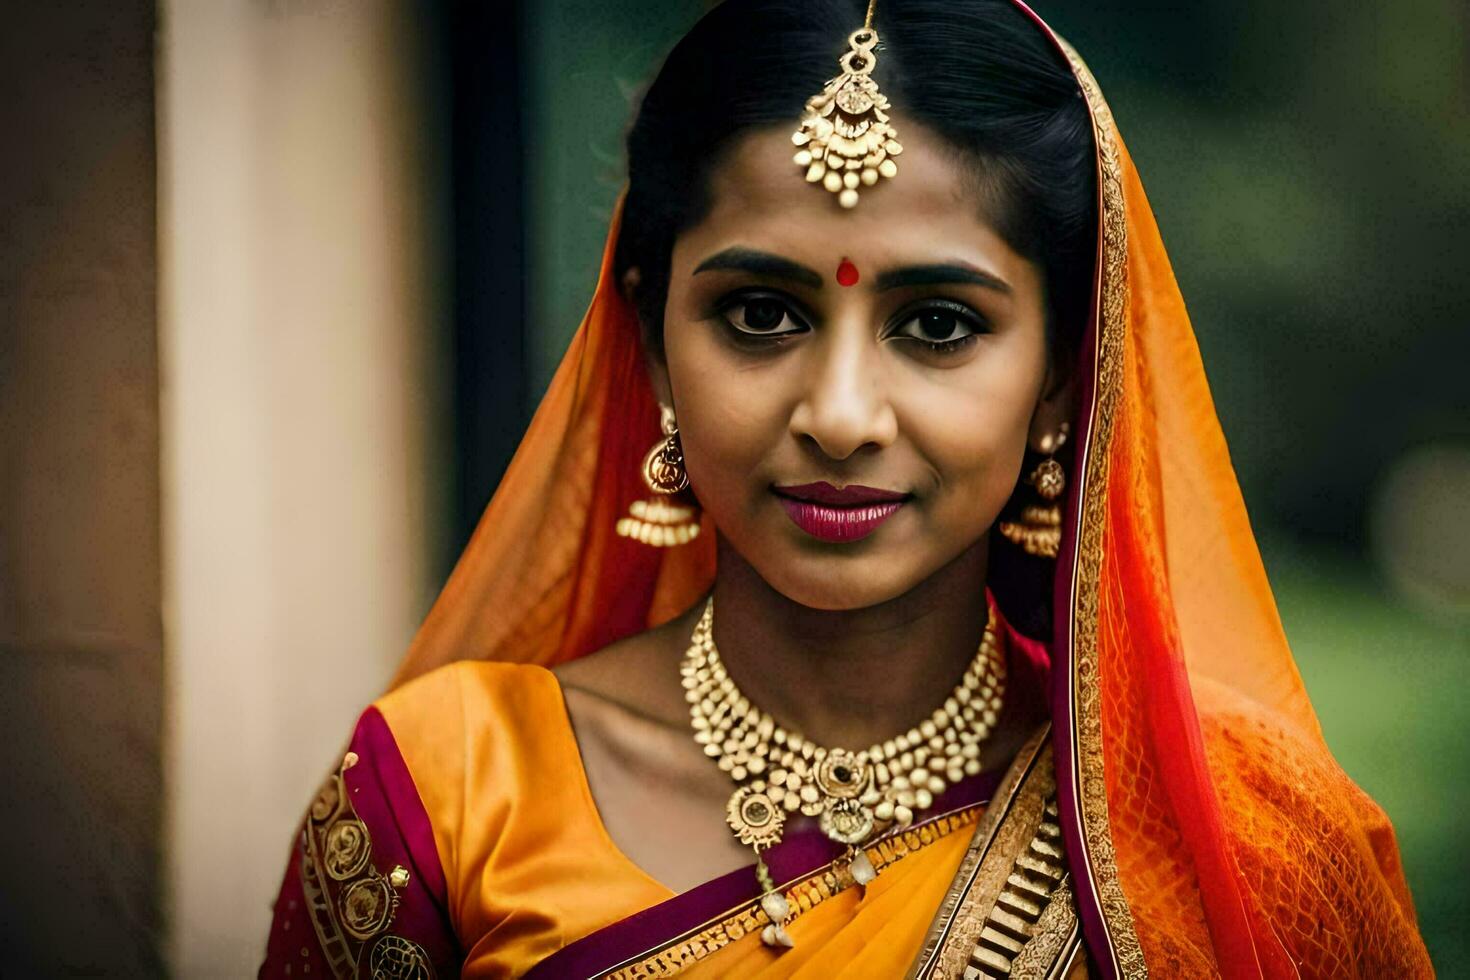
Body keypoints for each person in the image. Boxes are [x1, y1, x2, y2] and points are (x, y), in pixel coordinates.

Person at [258, 1, 1433, 976]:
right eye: (760, 313)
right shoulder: (449, 794)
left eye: (937, 323)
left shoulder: (1240, 838)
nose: (839, 413)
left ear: (1069, 375)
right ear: (653, 346)